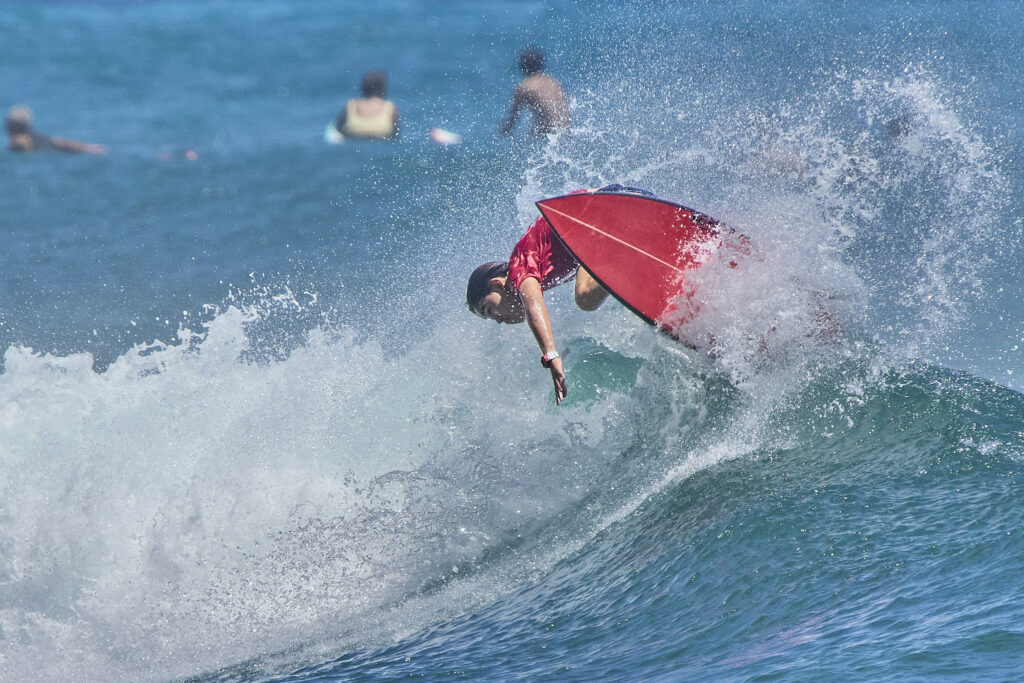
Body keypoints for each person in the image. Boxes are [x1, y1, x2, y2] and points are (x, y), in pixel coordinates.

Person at [467, 186, 657, 404]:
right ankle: (646, 263)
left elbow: (533, 305)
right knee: (597, 284)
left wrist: (550, 354)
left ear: (497, 284)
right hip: (624, 210)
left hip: (617, 208)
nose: (498, 319)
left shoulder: (519, 267)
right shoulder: (536, 263)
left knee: (585, 296)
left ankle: (636, 251)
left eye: (489, 310)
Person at [498, 47, 570, 137]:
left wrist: (499, 135)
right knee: (534, 127)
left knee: (532, 133)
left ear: (523, 66)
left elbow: (511, 122)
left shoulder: (526, 86)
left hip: (549, 133)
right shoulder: (553, 82)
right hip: (566, 130)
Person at [5, 106, 107, 155]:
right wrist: (87, 147)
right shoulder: (39, 137)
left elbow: (25, 156)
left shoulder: (18, 141)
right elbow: (61, 142)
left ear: (11, 126)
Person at [334, 71, 400, 140]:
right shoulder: (390, 108)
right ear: (382, 88)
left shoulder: (351, 106)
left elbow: (337, 130)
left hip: (354, 144)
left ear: (363, 88)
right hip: (381, 144)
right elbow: (396, 136)